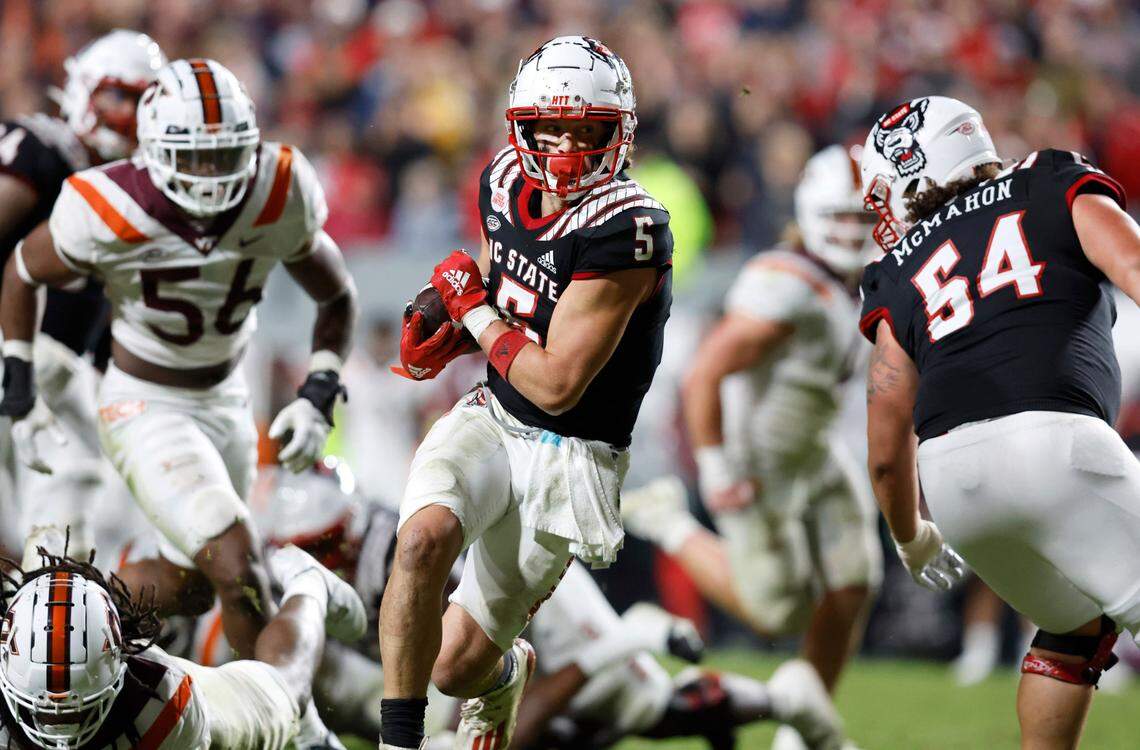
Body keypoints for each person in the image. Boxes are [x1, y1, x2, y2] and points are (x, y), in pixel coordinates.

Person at [0, 58, 358, 662]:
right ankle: (275, 724)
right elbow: (23, 270)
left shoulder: (279, 186)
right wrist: (18, 377)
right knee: (242, 568)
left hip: (228, 399)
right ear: (154, 149)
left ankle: (60, 623)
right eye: (192, 155)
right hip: (145, 403)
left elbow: (336, 293)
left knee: (194, 588)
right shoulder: (106, 202)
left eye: (224, 154)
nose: (210, 176)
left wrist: (321, 385)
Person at [381, 36, 674, 750]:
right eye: (555, 126)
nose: (568, 145)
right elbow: (501, 279)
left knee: (456, 669)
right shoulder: (504, 176)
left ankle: (507, 671)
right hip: (493, 415)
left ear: (620, 134)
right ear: (523, 126)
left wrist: (473, 314)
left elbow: (557, 381)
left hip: (569, 452)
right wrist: (449, 322)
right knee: (420, 542)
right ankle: (399, 742)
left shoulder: (630, 227)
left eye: (587, 129)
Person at [858, 95, 1140, 749]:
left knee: (1075, 631)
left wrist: (909, 536)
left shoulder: (899, 267)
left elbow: (885, 431)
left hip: (954, 485)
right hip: (1057, 446)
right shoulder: (1047, 178)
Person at [621, 145, 881, 749]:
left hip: (814, 452)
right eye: (839, 217)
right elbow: (704, 373)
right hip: (758, 462)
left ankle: (801, 725)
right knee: (778, 612)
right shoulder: (786, 284)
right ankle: (669, 523)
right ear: (811, 214)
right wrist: (713, 467)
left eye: (862, 218)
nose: (852, 231)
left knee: (854, 581)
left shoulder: (845, 278)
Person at [0, 29, 166, 568]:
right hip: (15, 361)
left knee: (87, 504)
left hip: (55, 372)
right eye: (119, 96)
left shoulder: (134, 190)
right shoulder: (44, 151)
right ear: (85, 90)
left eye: (145, 102)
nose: (131, 117)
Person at [0, 547, 365, 749]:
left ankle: (309, 585)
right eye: (47, 714)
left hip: (179, 718)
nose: (62, 735)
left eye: (74, 714)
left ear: (119, 666)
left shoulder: (161, 707)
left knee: (286, 693)